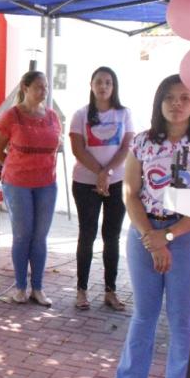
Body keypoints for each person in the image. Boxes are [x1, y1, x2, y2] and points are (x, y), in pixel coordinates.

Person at [113, 74, 190, 378]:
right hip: (144, 233)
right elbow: (130, 193)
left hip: (186, 236)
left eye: (184, 98)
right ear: (159, 102)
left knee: (182, 322)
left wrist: (168, 237)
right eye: (169, 97)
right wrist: (151, 236)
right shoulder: (142, 141)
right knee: (144, 315)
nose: (176, 104)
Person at [0, 71, 61, 306]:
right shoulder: (12, 116)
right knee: (23, 235)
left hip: (47, 184)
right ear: (25, 87)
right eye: (39, 87)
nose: (44, 91)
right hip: (18, 183)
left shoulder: (52, 117)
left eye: (46, 87)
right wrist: (14, 164)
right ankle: (20, 287)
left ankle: (37, 289)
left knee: (40, 237)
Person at [69, 67, 134, 311]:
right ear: (91, 85)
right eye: (99, 82)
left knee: (112, 237)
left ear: (114, 86)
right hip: (85, 183)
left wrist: (107, 174)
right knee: (87, 235)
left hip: (116, 182)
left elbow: (127, 147)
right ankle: (81, 290)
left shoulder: (124, 113)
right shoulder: (81, 115)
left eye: (108, 82)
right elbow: (78, 149)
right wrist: (99, 174)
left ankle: (110, 291)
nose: (103, 86)